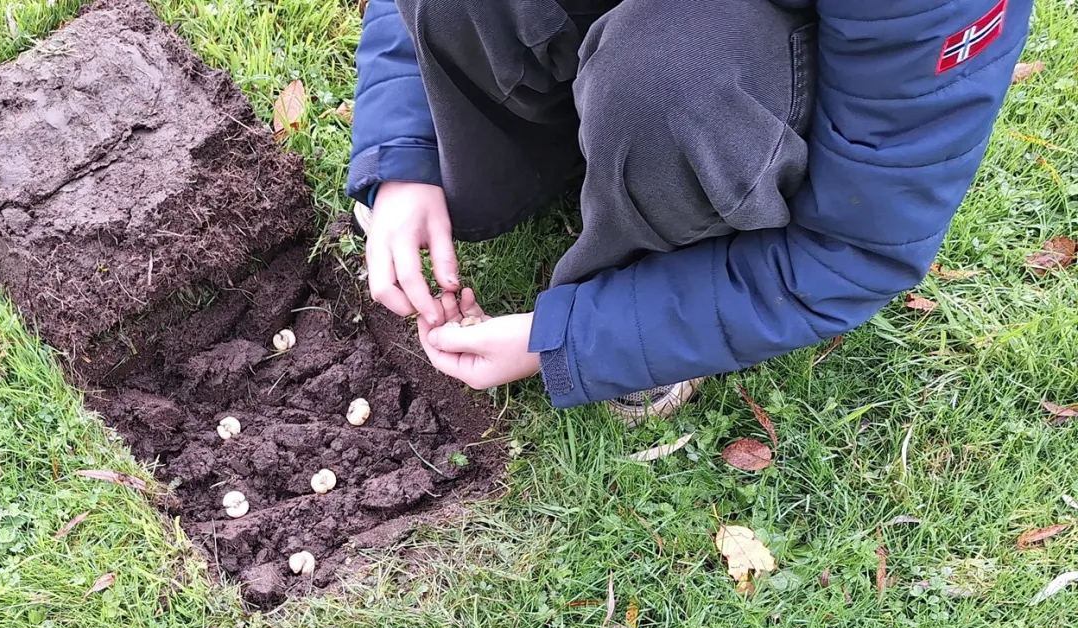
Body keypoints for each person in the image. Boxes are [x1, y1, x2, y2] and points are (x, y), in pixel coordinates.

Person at [347, 0, 1031, 424]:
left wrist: (572, 340)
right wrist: (407, 155)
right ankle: (567, 136)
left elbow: (854, 249)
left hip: (754, 58)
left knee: (668, 88)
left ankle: (657, 255)